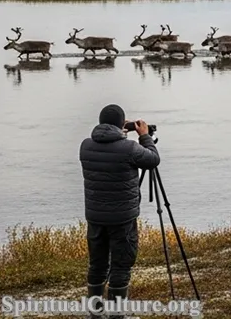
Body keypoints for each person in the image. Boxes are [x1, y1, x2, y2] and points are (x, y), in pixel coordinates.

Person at [80, 104, 161, 312]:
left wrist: (119, 131)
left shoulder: (85, 146)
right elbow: (153, 159)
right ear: (121, 124)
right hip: (122, 219)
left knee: (97, 264)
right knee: (121, 265)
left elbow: (110, 150)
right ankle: (117, 315)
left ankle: (94, 313)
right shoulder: (130, 148)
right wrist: (145, 137)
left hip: (96, 218)